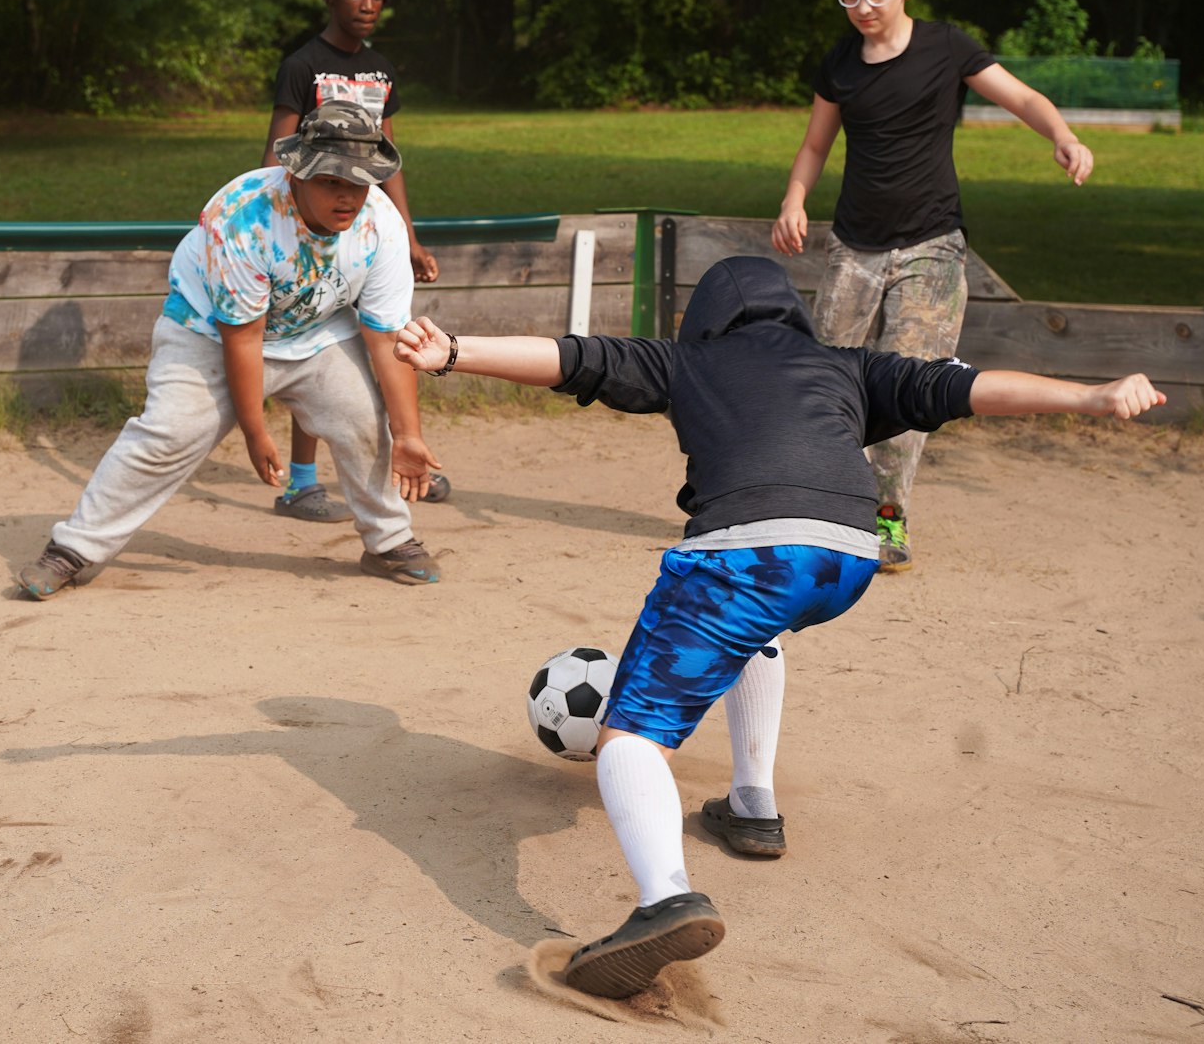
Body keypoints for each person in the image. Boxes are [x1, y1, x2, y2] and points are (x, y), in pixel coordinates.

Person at [392, 255, 1163, 999]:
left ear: (705, 323)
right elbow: (964, 387)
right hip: (849, 558)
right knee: (754, 630)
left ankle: (666, 899)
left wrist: (454, 351)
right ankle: (752, 805)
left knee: (630, 734)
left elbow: (572, 357)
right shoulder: (848, 366)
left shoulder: (691, 362)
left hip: (747, 551)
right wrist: (1091, 396)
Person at [15, 100, 444, 600]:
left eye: (359, 181)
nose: (347, 195)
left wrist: (408, 432)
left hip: (318, 334)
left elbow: (386, 337)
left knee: (368, 424)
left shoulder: (381, 225)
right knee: (168, 435)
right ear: (296, 173)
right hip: (208, 333)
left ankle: (388, 541)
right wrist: (254, 430)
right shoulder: (245, 217)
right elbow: (243, 338)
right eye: (330, 180)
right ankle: (74, 549)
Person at [772, 0, 1095, 574]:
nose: (862, 7)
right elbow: (815, 145)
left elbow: (1023, 96)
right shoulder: (839, 62)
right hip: (853, 251)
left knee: (908, 389)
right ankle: (821, 506)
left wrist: (1061, 134)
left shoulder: (947, 47)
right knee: (824, 380)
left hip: (931, 250)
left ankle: (887, 521)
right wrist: (794, 200)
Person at [260, 0, 450, 524]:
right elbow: (275, 155)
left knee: (381, 346)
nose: (367, 4)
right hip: (309, 229)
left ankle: (399, 457)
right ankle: (300, 485)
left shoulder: (382, 70)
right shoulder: (302, 67)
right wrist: (280, 228)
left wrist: (408, 237)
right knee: (310, 344)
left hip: (364, 232)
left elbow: (387, 158)